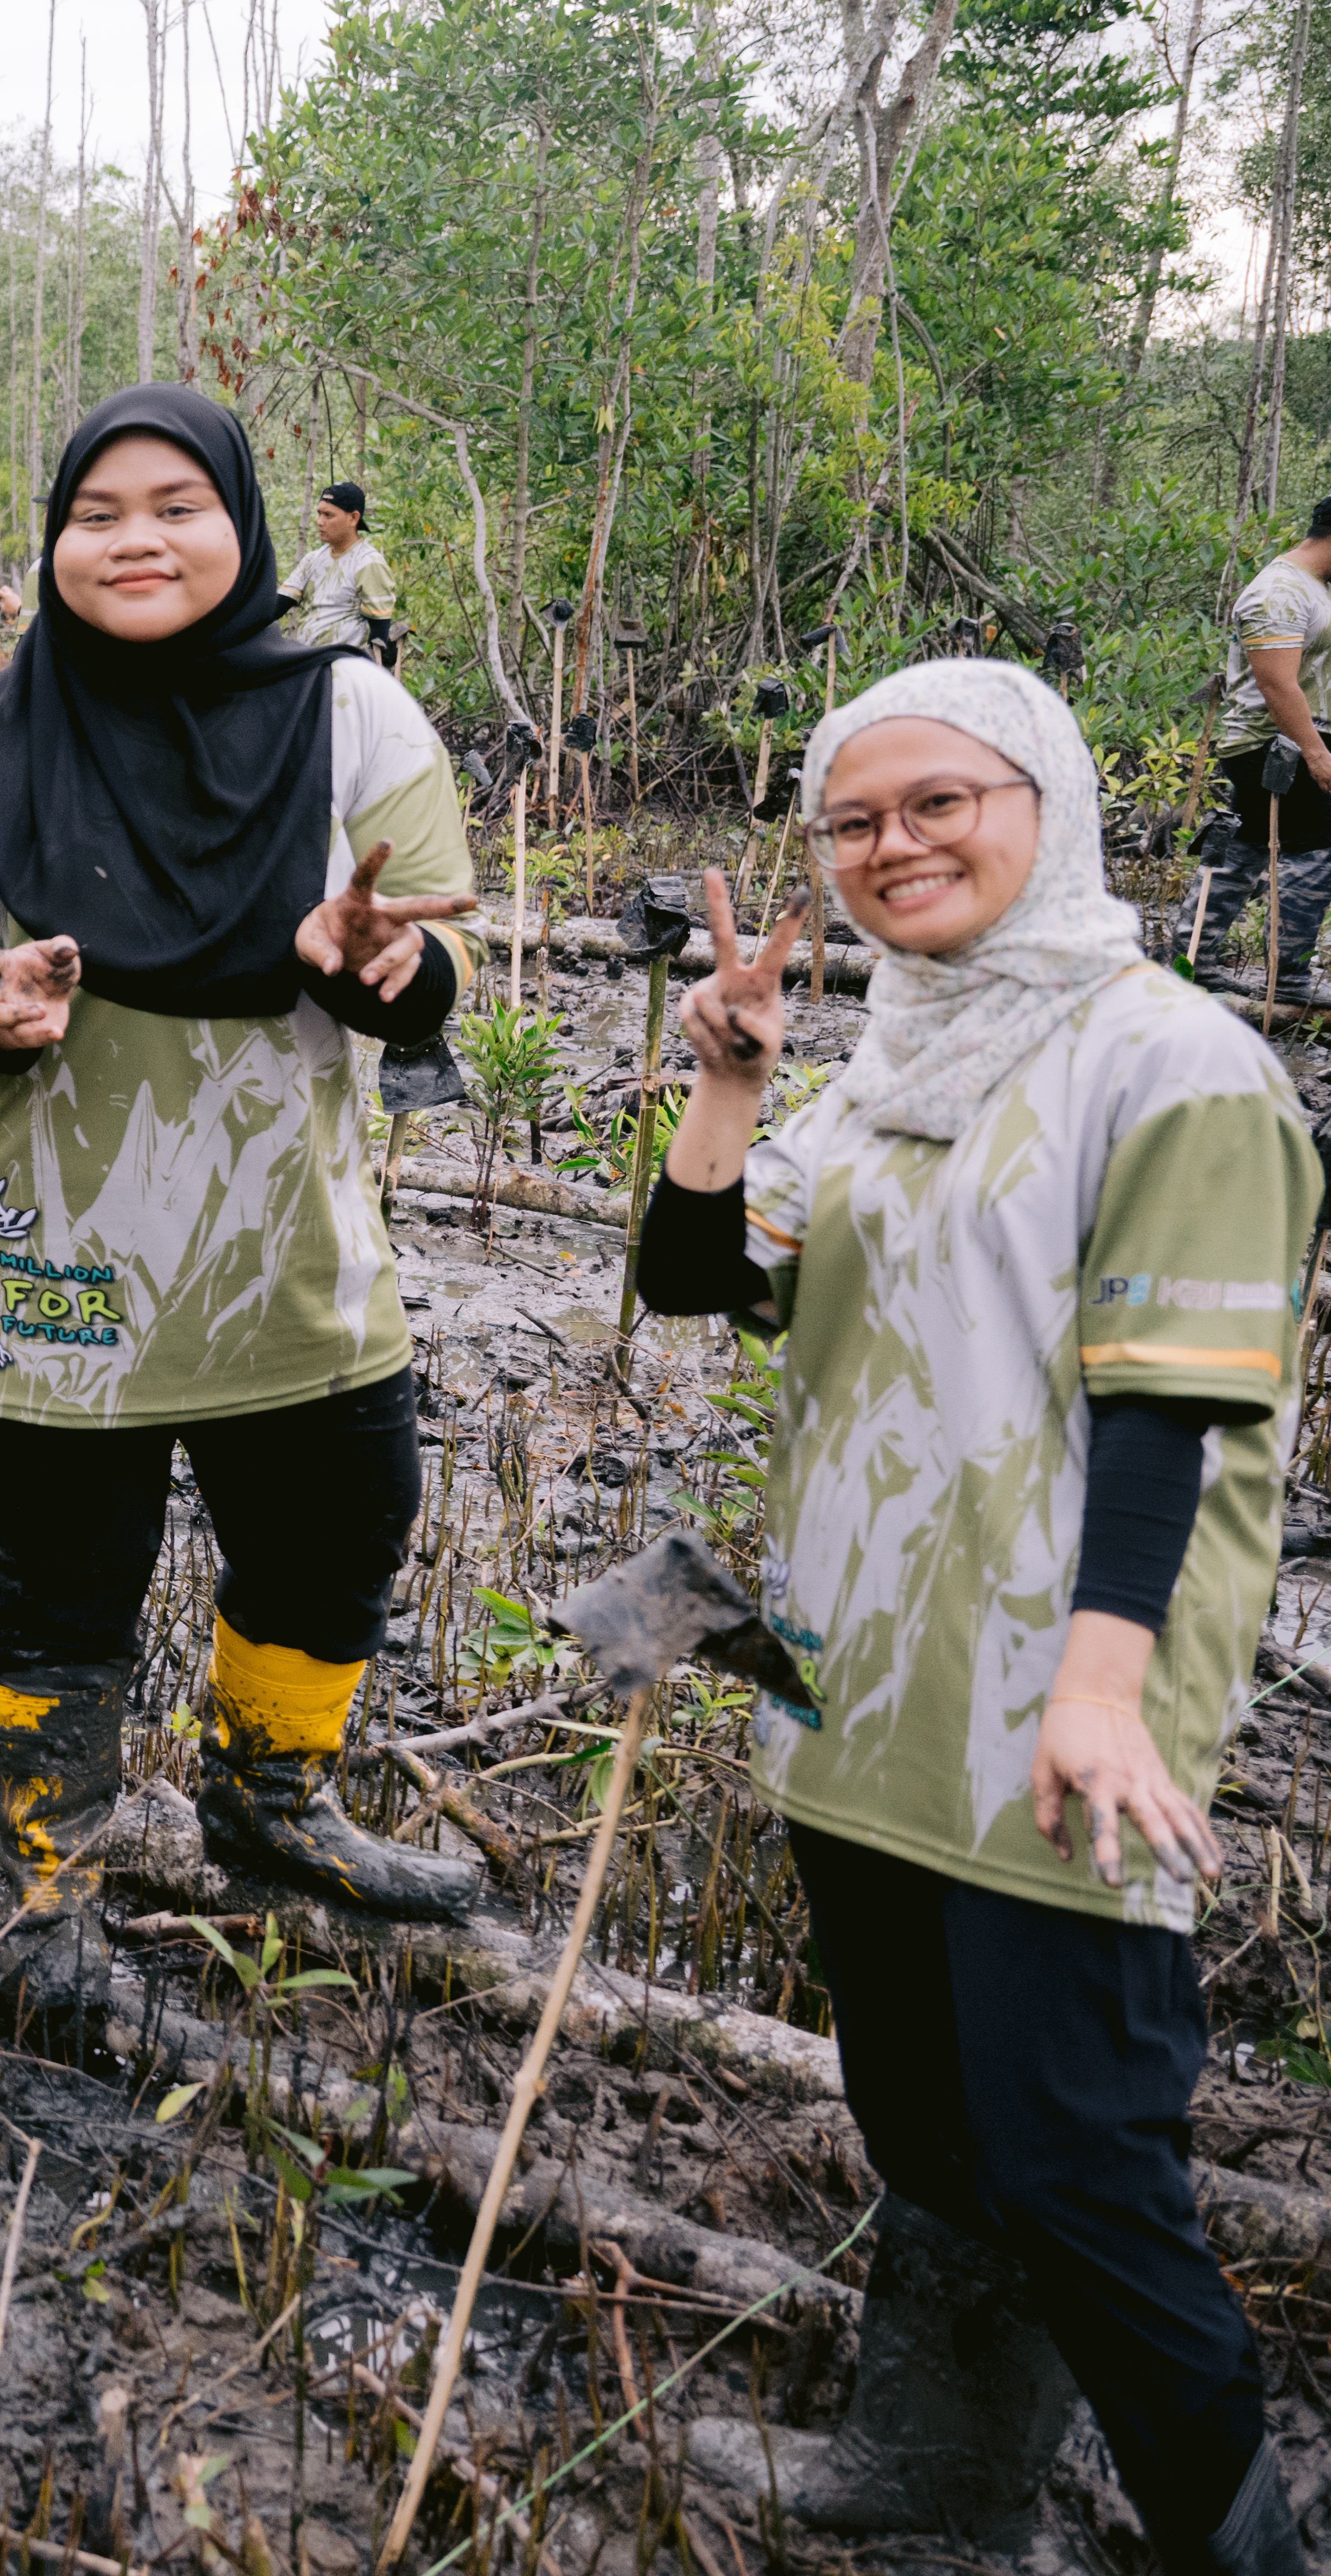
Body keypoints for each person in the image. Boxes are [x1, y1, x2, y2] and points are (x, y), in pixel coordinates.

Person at [639, 662, 1314, 2576]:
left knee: (1075, 2169)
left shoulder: (1169, 1061)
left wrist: (1103, 1696)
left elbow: (1173, 1406)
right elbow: (702, 1280)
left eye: (940, 802)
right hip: (858, 1673)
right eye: (852, 822)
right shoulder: (886, 1064)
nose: (892, 848)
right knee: (919, 2123)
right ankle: (943, 2469)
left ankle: (1235, 2546)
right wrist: (729, 1074)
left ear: (1050, 804)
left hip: (1056, 1693)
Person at [0, 385, 490, 2020]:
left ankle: (272, 1797)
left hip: (281, 1239)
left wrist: (391, 968)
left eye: (175, 505)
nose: (135, 539)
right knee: (57, 1573)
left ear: (244, 526)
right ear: (53, 542)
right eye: (98, 512)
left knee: (345, 1511)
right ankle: (35, 1891)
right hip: (45, 1238)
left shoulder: (353, 719)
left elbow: (436, 957)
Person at [1195, 494, 1331, 991]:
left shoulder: (1314, 588)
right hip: (1273, 744)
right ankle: (1289, 975)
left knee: (1244, 847)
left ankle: (1192, 960)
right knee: (1319, 849)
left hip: (1286, 741)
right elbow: (1278, 686)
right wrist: (1316, 752)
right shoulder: (1278, 591)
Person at [280, 482, 386, 654]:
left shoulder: (368, 563)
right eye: (319, 514)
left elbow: (380, 630)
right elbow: (279, 604)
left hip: (344, 665)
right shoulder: (313, 559)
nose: (319, 522)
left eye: (329, 515)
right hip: (304, 659)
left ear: (353, 518)